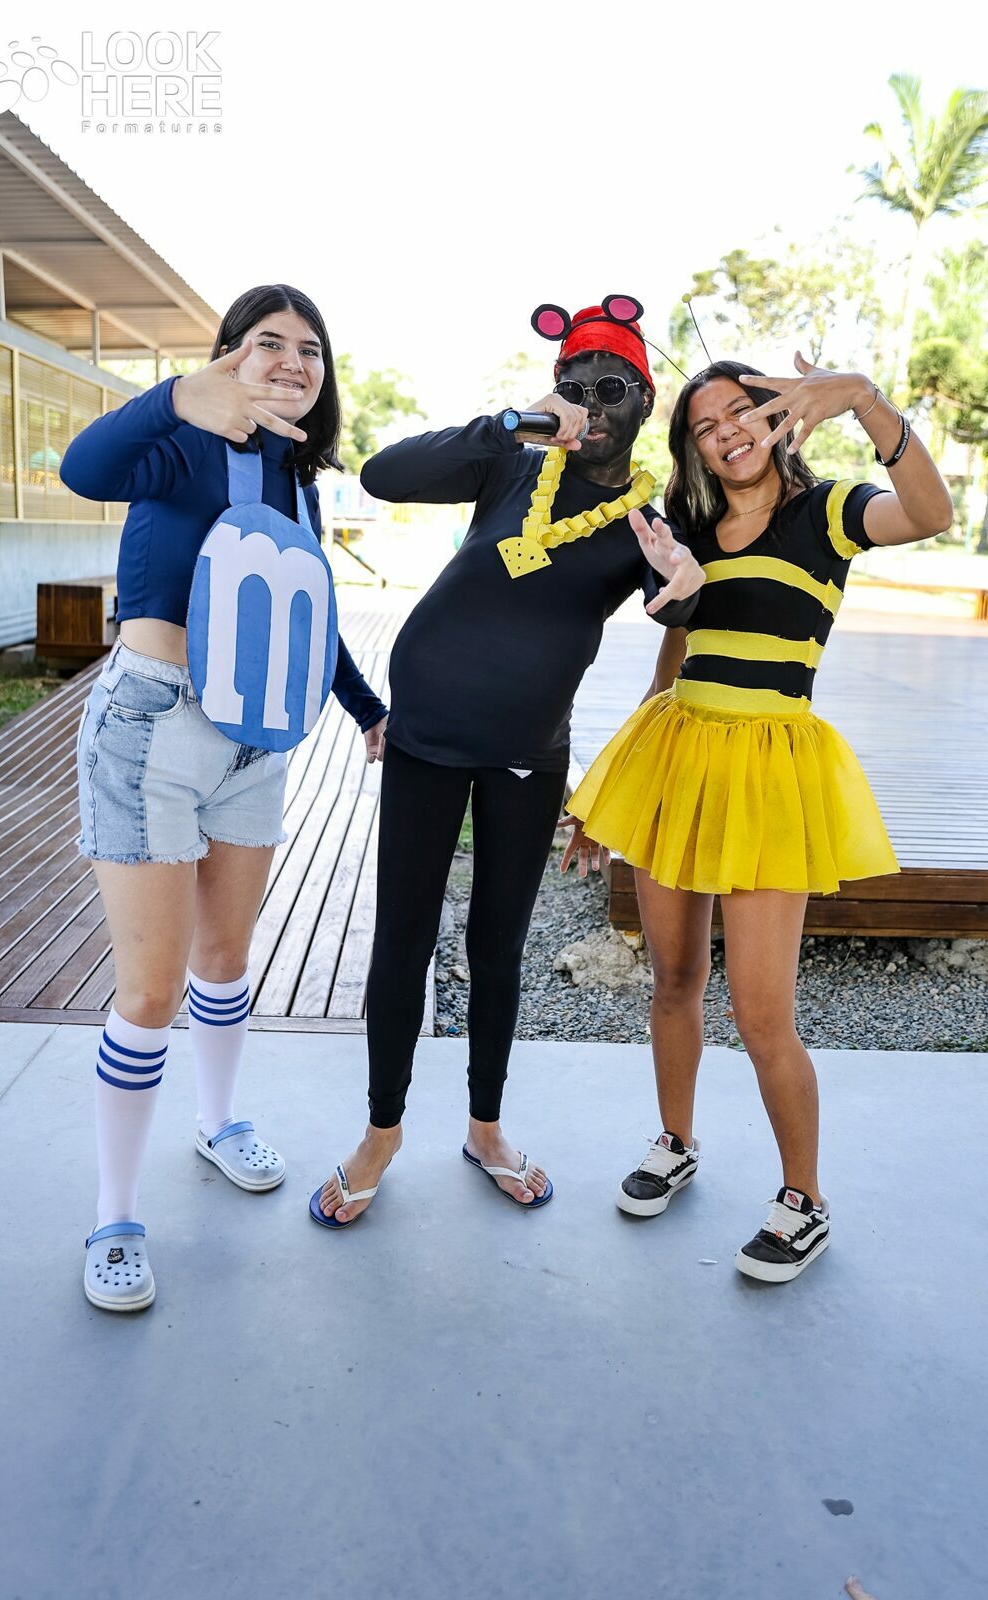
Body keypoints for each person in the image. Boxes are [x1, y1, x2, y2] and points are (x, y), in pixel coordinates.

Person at [311, 298, 706, 1227]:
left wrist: (685, 588)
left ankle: (484, 1128)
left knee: (496, 947)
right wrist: (512, 422)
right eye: (573, 385)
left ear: (645, 401)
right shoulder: (509, 461)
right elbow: (382, 473)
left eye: (611, 389)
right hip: (423, 737)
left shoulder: (642, 523)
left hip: (526, 755)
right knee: (402, 939)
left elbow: (682, 616)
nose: (590, 405)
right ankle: (380, 1132)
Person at [564, 352, 953, 1280]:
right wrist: (608, 792)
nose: (726, 433)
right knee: (672, 977)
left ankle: (803, 1199)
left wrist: (862, 399)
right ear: (693, 449)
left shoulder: (829, 512)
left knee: (761, 1012)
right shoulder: (690, 525)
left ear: (778, 415)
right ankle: (674, 1141)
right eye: (704, 426)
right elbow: (676, 651)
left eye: (740, 411)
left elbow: (930, 514)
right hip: (675, 756)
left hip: (769, 770)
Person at [61, 284, 388, 1310]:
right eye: (266, 342)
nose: (292, 361)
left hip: (258, 738)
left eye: (309, 348)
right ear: (226, 356)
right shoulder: (177, 442)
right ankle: (115, 1214)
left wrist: (366, 710)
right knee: (149, 993)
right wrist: (174, 397)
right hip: (152, 728)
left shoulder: (294, 477)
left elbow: (300, 615)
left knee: (226, 959)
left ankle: (216, 1122)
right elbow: (83, 469)